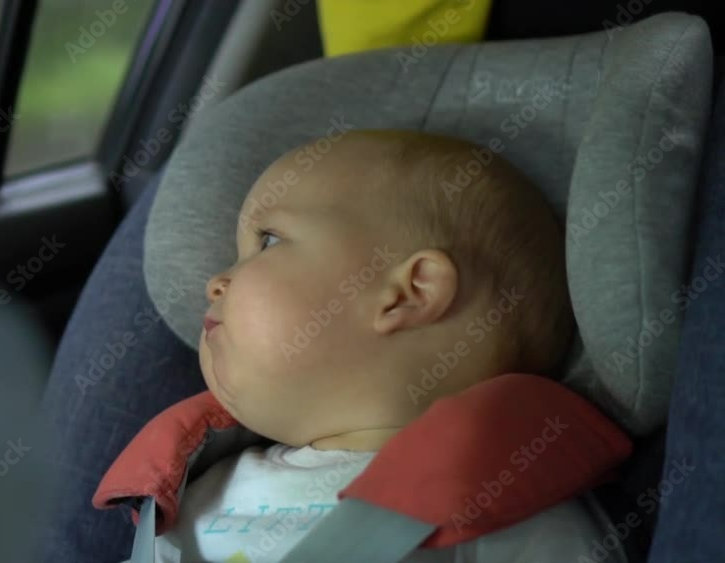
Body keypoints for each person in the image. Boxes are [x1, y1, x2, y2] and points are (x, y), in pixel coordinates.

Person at [95, 130, 623, 562]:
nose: (215, 281)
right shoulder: (195, 496)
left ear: (409, 293)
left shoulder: (503, 515)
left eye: (268, 241)